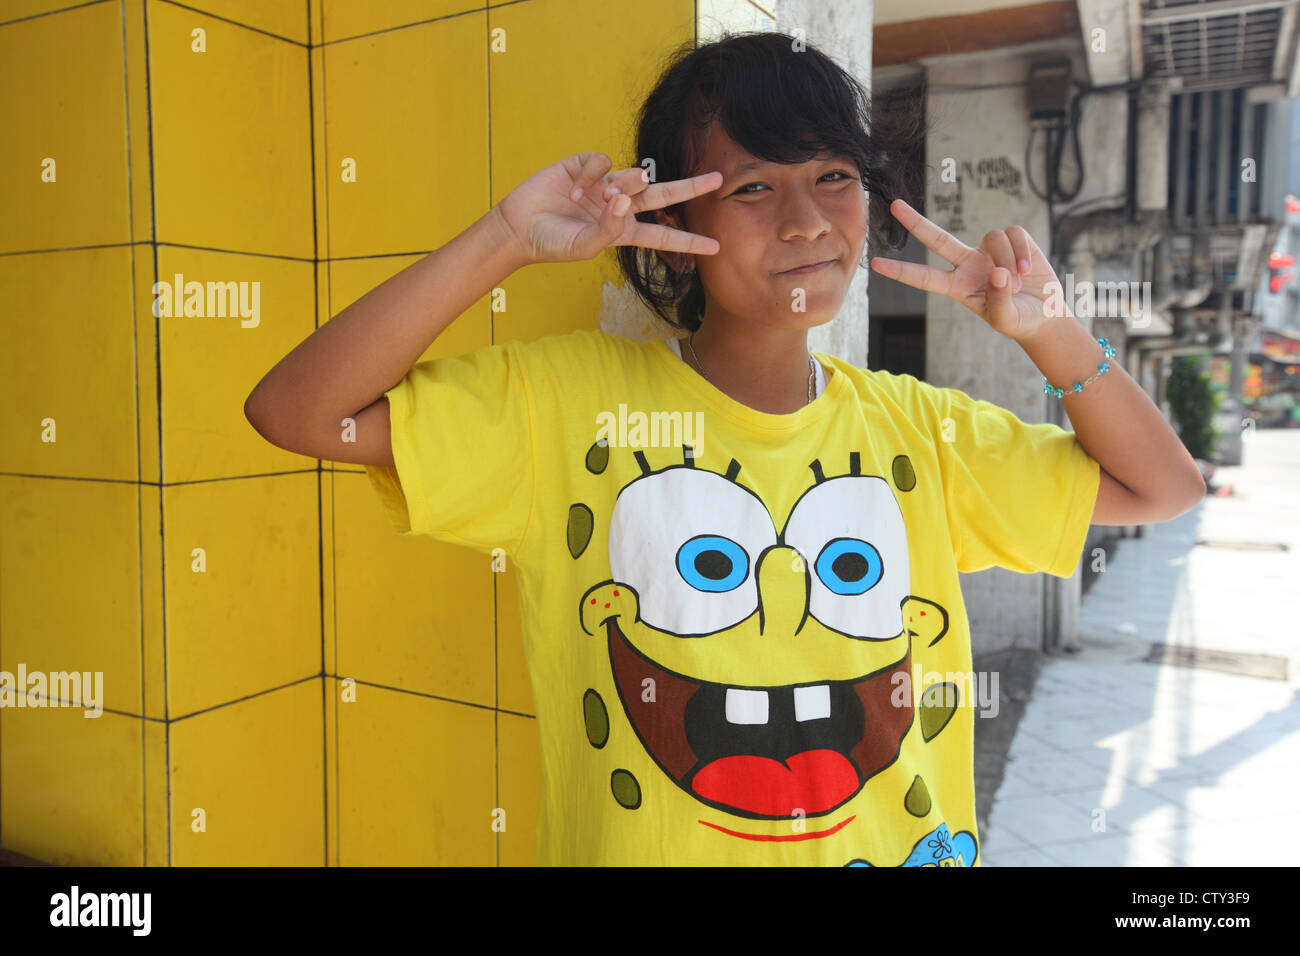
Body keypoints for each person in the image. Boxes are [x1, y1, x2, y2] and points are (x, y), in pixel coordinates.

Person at [245, 32, 1207, 866]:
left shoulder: (923, 432)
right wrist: (505, 237)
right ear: (673, 232)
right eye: (752, 186)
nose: (803, 219)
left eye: (833, 174)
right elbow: (297, 412)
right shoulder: (569, 408)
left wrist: (1050, 332)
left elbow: (1161, 490)